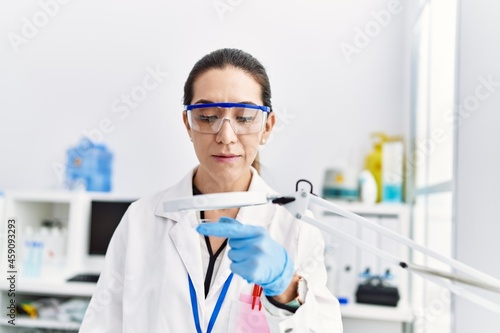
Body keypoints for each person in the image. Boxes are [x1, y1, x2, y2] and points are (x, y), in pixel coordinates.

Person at [79, 48, 343, 332]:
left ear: (267, 126)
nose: (226, 136)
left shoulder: (297, 229)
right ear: (188, 125)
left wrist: (285, 290)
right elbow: (101, 324)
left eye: (244, 117)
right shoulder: (141, 220)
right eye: (206, 116)